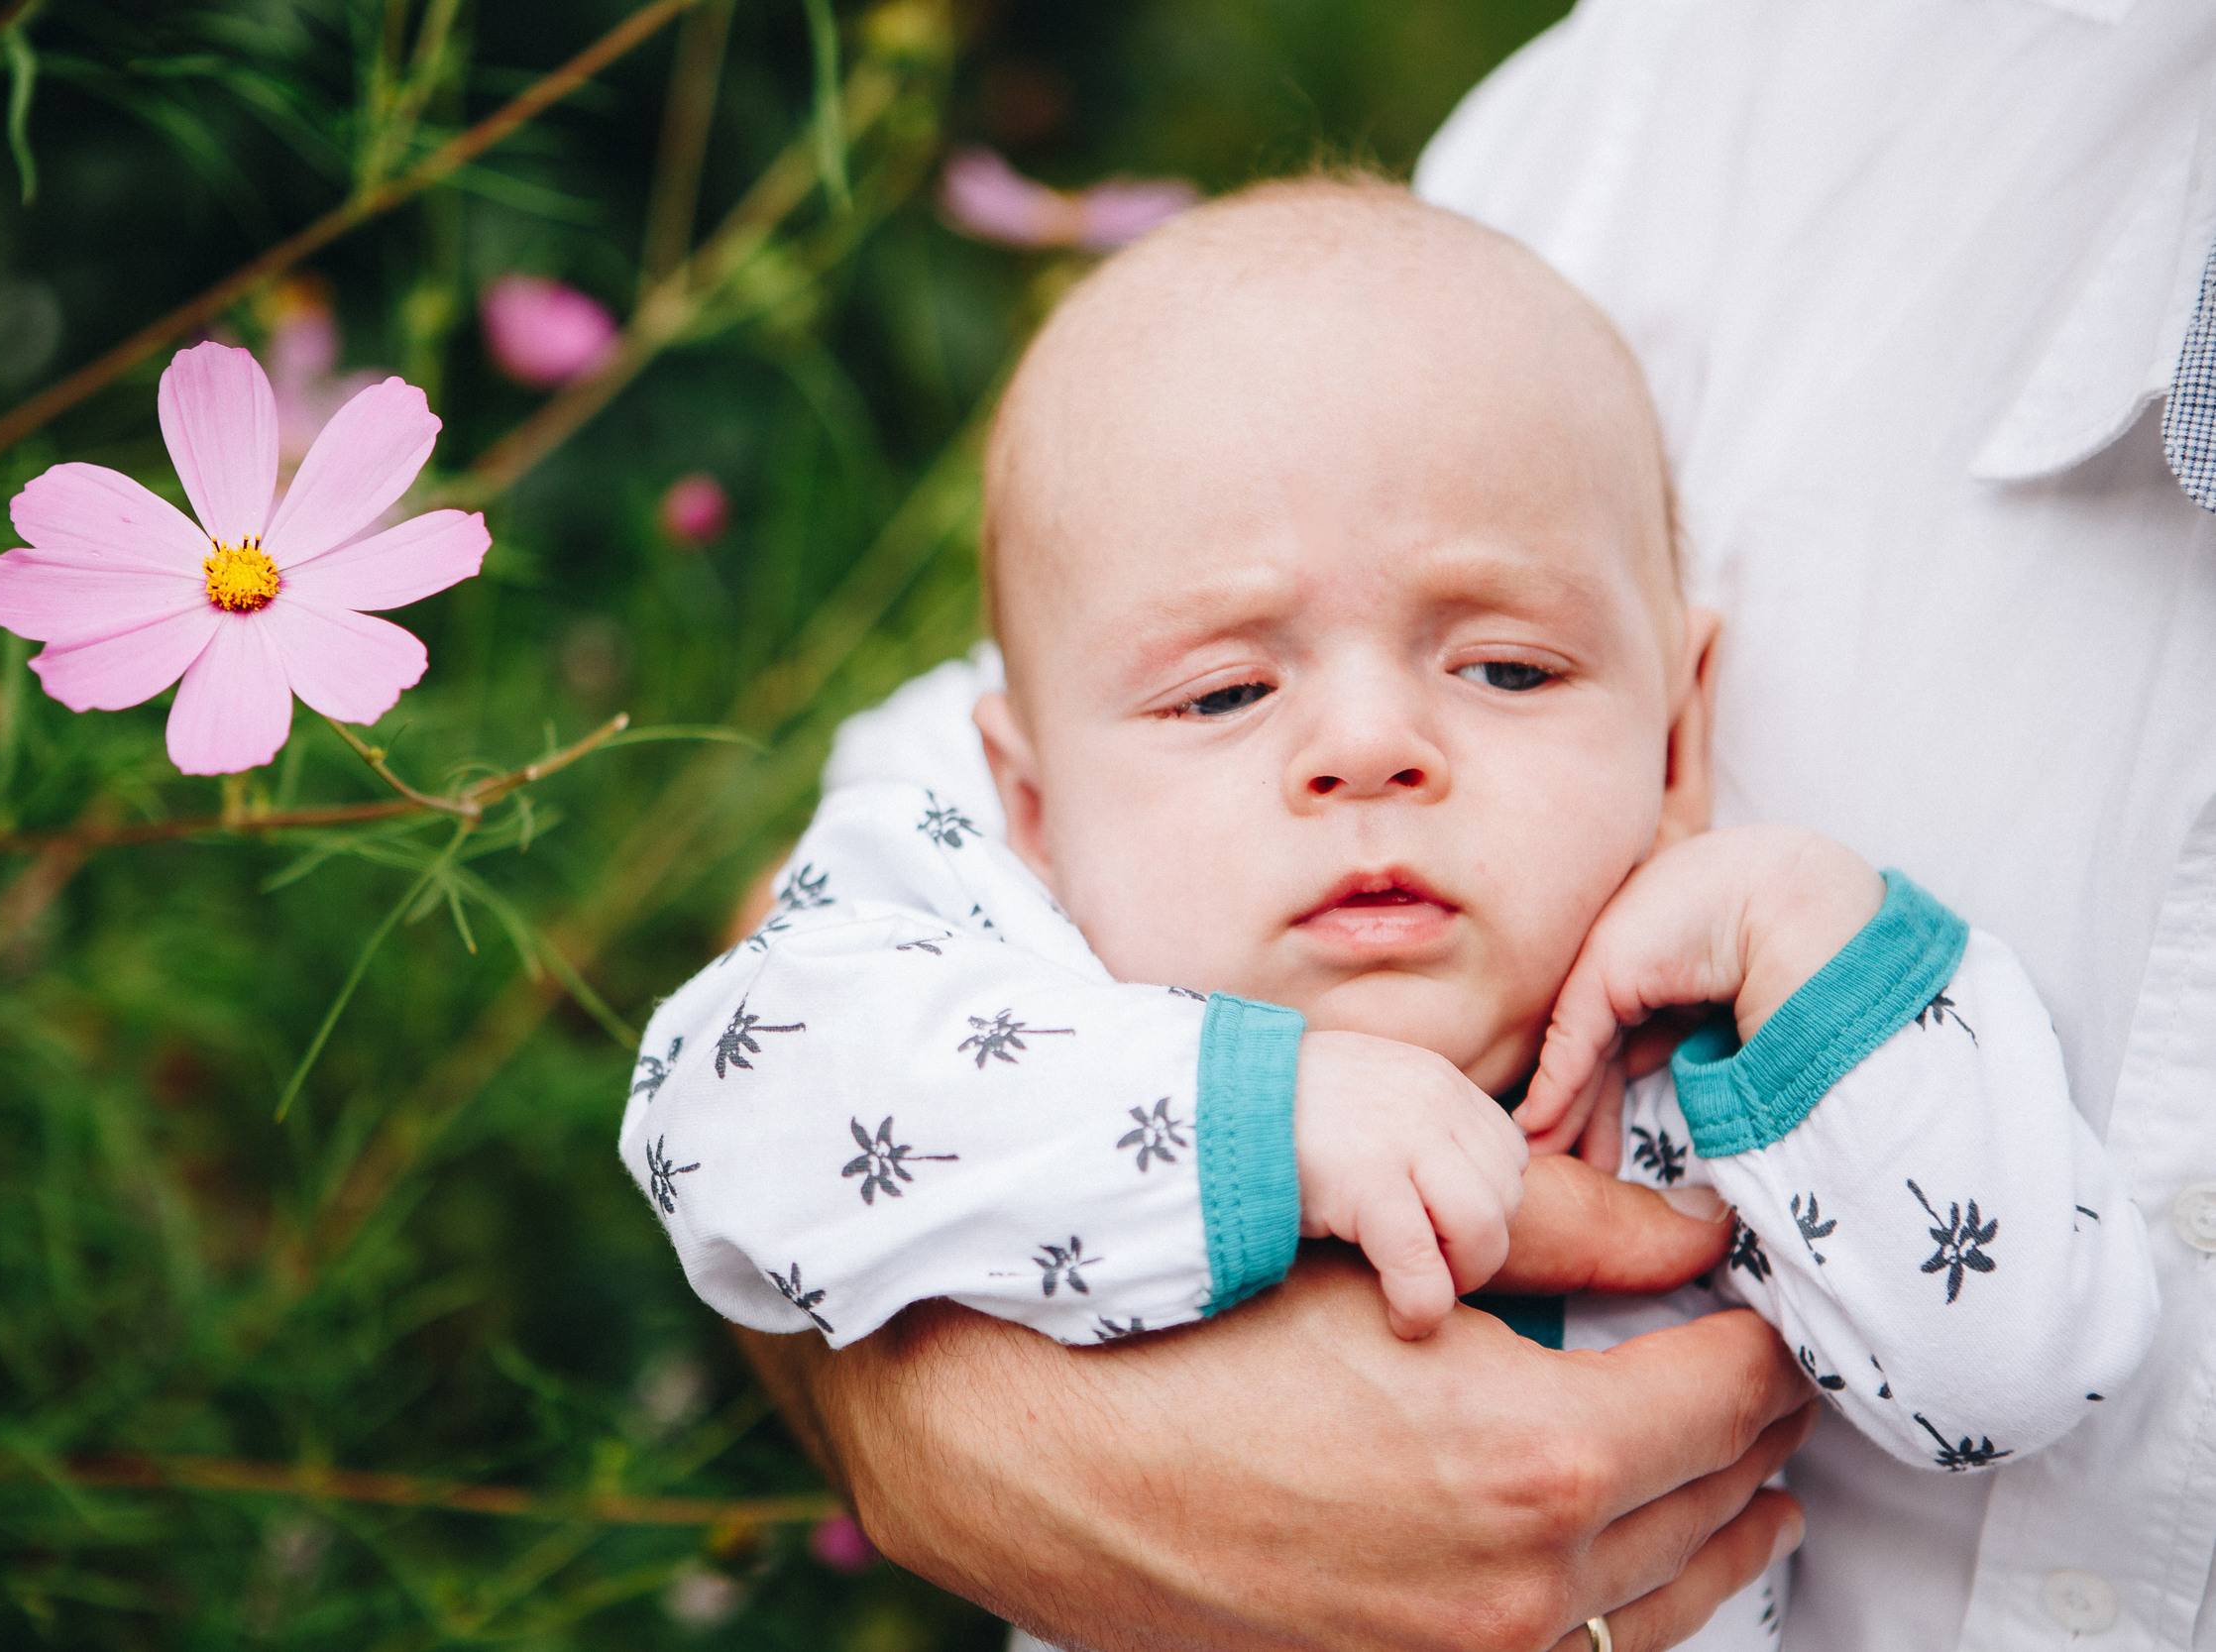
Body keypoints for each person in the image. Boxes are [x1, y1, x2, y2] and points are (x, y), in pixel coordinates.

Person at [715, 4, 2216, 1647]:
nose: (1370, 747)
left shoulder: (1726, 1078)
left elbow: (2016, 1383)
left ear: (1680, 731)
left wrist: (1807, 937)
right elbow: (719, 1116)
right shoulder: (1016, 968)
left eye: (1506, 668)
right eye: (1225, 695)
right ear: (1030, 802)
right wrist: (1257, 1116)